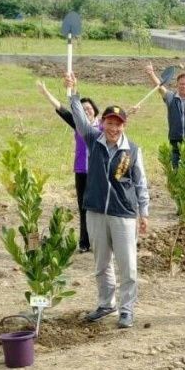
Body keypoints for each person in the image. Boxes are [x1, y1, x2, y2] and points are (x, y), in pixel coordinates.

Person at [65, 73, 150, 329]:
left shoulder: (132, 151)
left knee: (128, 267)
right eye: (109, 123)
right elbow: (79, 119)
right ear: (102, 123)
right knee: (101, 264)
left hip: (123, 213)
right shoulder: (93, 140)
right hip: (95, 212)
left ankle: (126, 309)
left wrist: (143, 213)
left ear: (124, 126)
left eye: (118, 124)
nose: (113, 128)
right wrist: (73, 93)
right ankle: (106, 303)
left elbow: (141, 183)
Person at [36, 81, 99, 253]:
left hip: (98, 173)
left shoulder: (103, 127)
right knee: (83, 207)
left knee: (98, 208)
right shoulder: (78, 126)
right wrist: (46, 92)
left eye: (89, 108)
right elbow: (62, 109)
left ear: (95, 110)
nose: (86, 111)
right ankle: (85, 243)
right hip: (81, 172)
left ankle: (100, 241)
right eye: (83, 108)